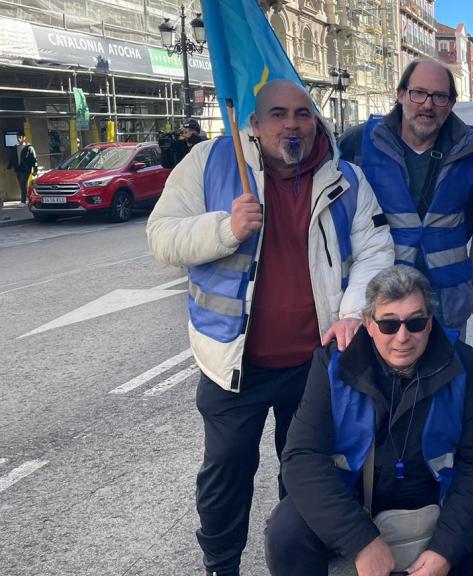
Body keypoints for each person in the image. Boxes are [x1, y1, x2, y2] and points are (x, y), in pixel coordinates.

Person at [146, 79, 394, 576]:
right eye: (277, 114)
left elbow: (374, 251)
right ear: (254, 125)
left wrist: (351, 313)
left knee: (306, 472)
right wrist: (225, 229)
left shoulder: (346, 178)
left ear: (315, 119)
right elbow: (161, 236)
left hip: (314, 361)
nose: (292, 124)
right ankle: (221, 563)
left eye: (303, 113)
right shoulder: (210, 163)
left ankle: (300, 559)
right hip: (234, 362)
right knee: (226, 472)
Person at [264, 265, 473, 576]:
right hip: (355, 499)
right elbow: (301, 458)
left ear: (430, 322)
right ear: (368, 324)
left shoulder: (465, 365)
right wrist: (359, 541)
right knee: (285, 534)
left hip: (433, 500)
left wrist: (445, 549)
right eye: (389, 325)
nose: (403, 337)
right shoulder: (331, 365)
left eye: (415, 323)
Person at [339, 59, 473, 338]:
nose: (427, 104)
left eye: (439, 96)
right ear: (400, 94)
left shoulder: (471, 151)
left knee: (449, 376)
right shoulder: (359, 143)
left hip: (448, 299)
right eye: (418, 93)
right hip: (382, 297)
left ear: (451, 102)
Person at [8, 131, 37, 207]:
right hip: (17, 169)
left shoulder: (29, 147)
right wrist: (9, 166)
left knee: (23, 185)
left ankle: (23, 201)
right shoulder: (15, 147)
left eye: (20, 137)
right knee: (21, 185)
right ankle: (26, 199)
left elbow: (34, 159)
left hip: (26, 169)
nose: (18, 139)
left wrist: (35, 169)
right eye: (17, 137)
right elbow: (12, 158)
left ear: (24, 138)